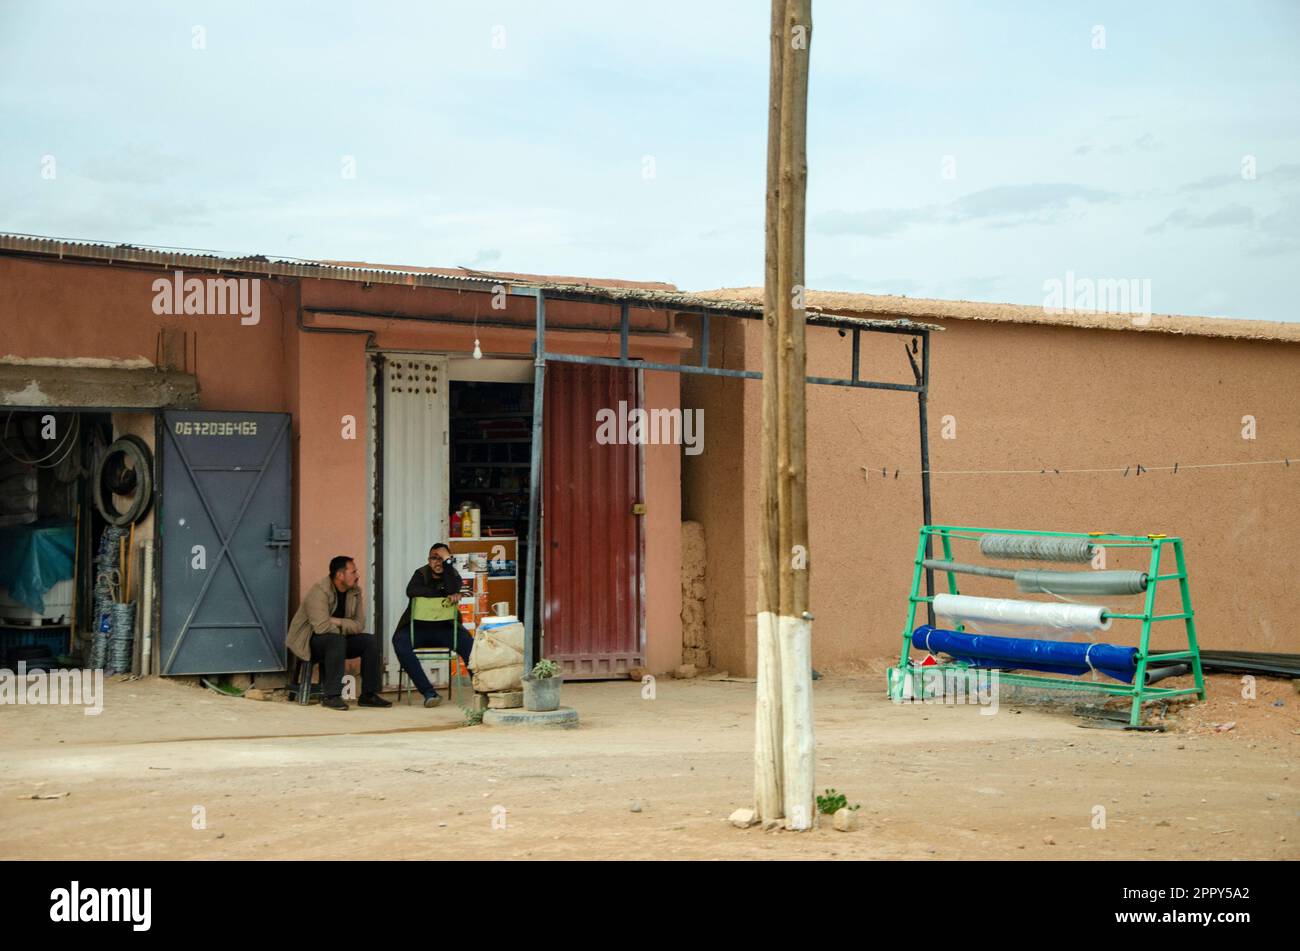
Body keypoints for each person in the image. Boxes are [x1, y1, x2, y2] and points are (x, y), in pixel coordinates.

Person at [286, 555, 391, 711]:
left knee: (370, 641)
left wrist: (337, 621)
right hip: (310, 641)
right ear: (340, 575)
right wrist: (346, 627)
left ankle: (368, 695)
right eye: (353, 572)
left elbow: (360, 625)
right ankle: (332, 696)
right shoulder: (319, 591)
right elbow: (321, 627)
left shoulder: (355, 591)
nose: (357, 576)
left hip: (338, 639)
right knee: (336, 640)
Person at [393, 543, 470, 708]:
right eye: (434, 558)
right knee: (399, 640)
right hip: (418, 629)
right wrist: (444, 595)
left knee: (468, 641)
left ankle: (481, 690)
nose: (438, 562)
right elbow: (412, 591)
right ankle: (429, 692)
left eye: (442, 559)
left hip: (445, 629)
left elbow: (452, 587)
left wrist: (448, 565)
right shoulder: (420, 573)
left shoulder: (453, 575)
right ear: (429, 560)